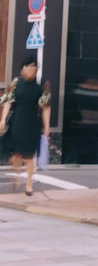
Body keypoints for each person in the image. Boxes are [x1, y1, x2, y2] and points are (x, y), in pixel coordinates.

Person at [0, 56, 50, 196]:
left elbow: (45, 107)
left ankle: (29, 184)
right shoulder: (16, 83)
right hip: (17, 120)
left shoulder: (41, 85)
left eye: (35, 68)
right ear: (23, 68)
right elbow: (8, 101)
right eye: (29, 67)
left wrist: (46, 126)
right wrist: (3, 119)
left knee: (29, 155)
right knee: (16, 154)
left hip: (32, 122)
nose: (32, 70)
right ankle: (17, 175)